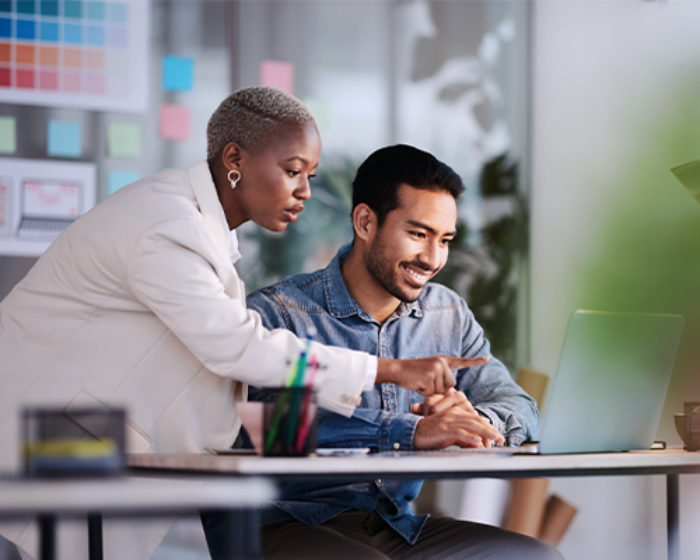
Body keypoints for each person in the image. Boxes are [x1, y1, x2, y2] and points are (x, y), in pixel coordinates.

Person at [0, 91, 481, 560]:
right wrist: (391, 378)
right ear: (235, 158)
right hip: (51, 430)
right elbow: (241, 358)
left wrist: (479, 425)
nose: (306, 192)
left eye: (310, 175)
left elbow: (505, 400)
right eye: (292, 171)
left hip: (91, 438)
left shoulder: (447, 314)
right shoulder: (173, 230)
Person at [205, 145, 563, 559]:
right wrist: (408, 431)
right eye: (418, 234)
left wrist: (474, 421)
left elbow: (520, 406)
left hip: (393, 524)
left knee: (537, 557)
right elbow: (260, 428)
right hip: (278, 521)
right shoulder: (280, 314)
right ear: (365, 222)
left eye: (444, 239)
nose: (432, 258)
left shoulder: (446, 314)